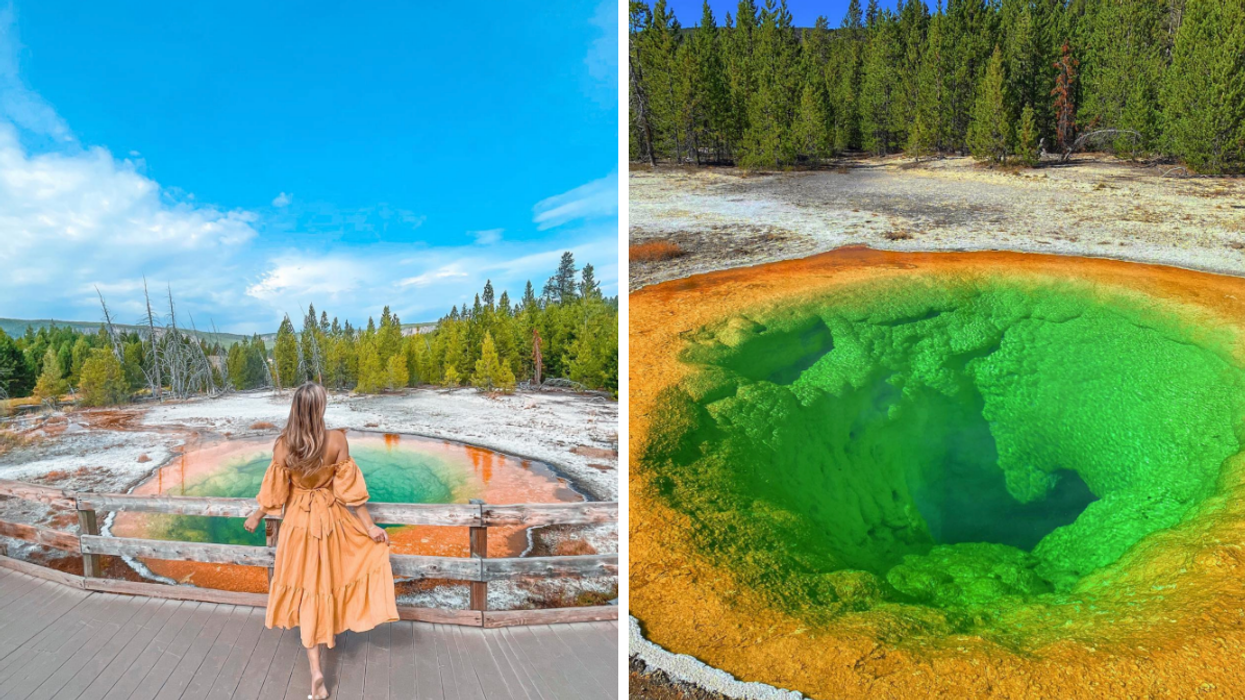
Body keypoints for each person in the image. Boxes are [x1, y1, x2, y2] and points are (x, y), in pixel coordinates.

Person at [244, 382, 398, 700]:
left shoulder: (283, 446)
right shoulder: (337, 440)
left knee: (306, 589)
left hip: (297, 525)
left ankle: (316, 671)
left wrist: (257, 515)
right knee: (328, 580)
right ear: (320, 408)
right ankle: (328, 632)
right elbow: (351, 494)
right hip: (331, 521)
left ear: (296, 409)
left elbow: (275, 494)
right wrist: (370, 527)